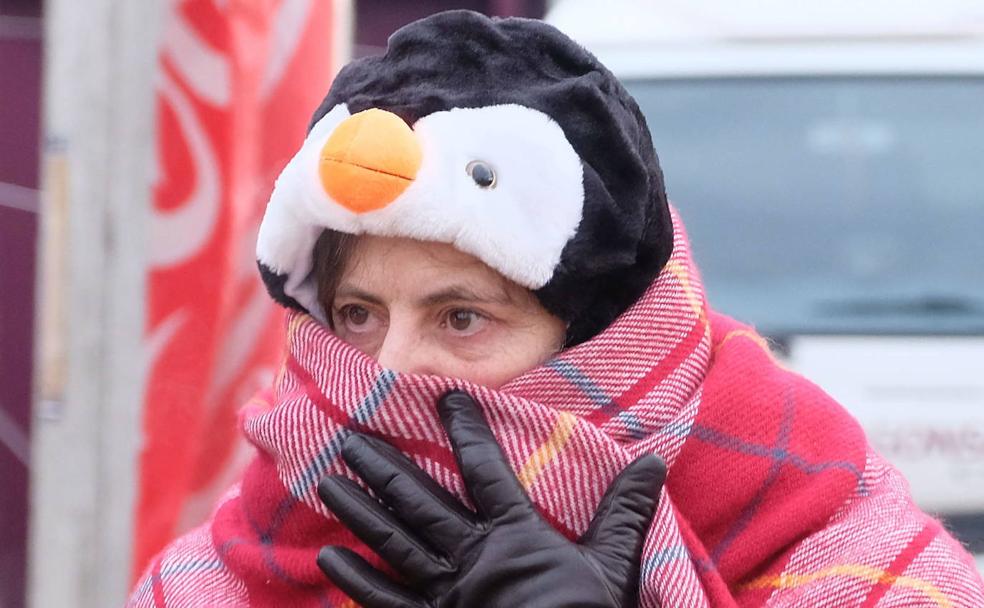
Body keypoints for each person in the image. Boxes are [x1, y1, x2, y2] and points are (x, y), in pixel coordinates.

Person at [128, 10, 984, 608]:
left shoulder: (846, 560)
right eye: (357, 314)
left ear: (610, 342)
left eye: (461, 317)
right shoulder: (227, 573)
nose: (384, 376)